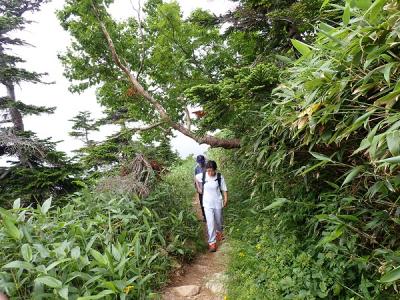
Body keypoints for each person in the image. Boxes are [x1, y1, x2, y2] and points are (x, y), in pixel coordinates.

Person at [195, 160, 228, 252]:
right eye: (208, 170)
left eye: (211, 171)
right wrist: (199, 188)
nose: (209, 173)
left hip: (218, 202)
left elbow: (224, 189)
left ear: (215, 169)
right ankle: (212, 243)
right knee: (210, 223)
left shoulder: (219, 177)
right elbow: (196, 178)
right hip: (207, 204)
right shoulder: (203, 175)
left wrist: (225, 199)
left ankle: (219, 232)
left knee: (219, 221)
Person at [194, 155, 207, 221]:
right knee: (202, 203)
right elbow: (195, 179)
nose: (201, 163)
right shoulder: (196, 168)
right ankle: (204, 216)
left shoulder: (208, 166)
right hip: (201, 188)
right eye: (199, 162)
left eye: (202, 162)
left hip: (208, 188)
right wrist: (198, 188)